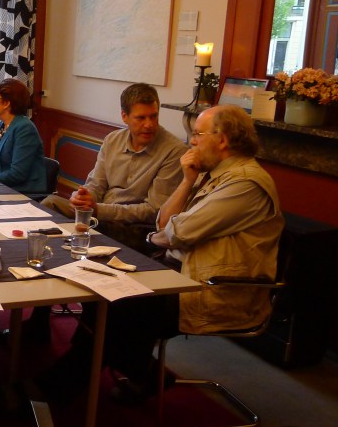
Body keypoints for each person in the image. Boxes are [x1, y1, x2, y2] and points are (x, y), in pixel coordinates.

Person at [40, 105, 283, 403]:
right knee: (100, 294)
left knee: (118, 307)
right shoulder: (212, 175)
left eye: (198, 134)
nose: (192, 142)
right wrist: (187, 181)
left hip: (212, 289)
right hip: (177, 270)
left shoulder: (245, 184)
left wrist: (157, 238)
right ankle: (142, 371)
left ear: (222, 139)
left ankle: (53, 389)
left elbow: (178, 232)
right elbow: (164, 222)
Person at [42, 83, 186, 250]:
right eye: (141, 118)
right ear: (124, 116)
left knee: (79, 229)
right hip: (99, 214)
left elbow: (153, 211)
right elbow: (96, 185)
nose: (149, 124)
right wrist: (82, 198)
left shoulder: (174, 151)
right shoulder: (113, 140)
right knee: (50, 203)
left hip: (132, 228)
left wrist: (99, 210)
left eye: (154, 116)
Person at [0, 78, 47, 194]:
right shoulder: (3, 125)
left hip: (23, 193)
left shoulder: (25, 128)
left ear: (6, 103)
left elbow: (17, 174)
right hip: (2, 188)